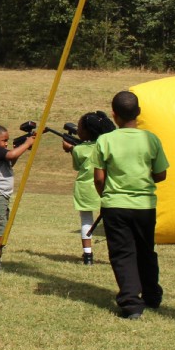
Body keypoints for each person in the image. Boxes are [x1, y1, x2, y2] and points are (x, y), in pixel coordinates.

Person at [90, 90, 169, 320]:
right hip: (145, 206)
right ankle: (152, 295)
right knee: (146, 251)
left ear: (114, 114)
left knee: (122, 254)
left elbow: (99, 178)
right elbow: (161, 174)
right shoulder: (151, 139)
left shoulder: (105, 140)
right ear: (139, 112)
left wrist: (105, 196)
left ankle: (131, 303)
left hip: (115, 205)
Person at [61, 110, 116, 265]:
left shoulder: (79, 149)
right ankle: (116, 253)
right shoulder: (107, 145)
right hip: (107, 187)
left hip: (85, 188)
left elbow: (78, 165)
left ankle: (88, 255)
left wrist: (71, 149)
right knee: (112, 222)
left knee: (86, 220)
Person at [0, 123, 37, 262]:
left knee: (3, 222)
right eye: (4, 140)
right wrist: (27, 143)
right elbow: (11, 154)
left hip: (0, 193)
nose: (6, 144)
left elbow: (11, 161)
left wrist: (21, 147)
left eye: (7, 140)